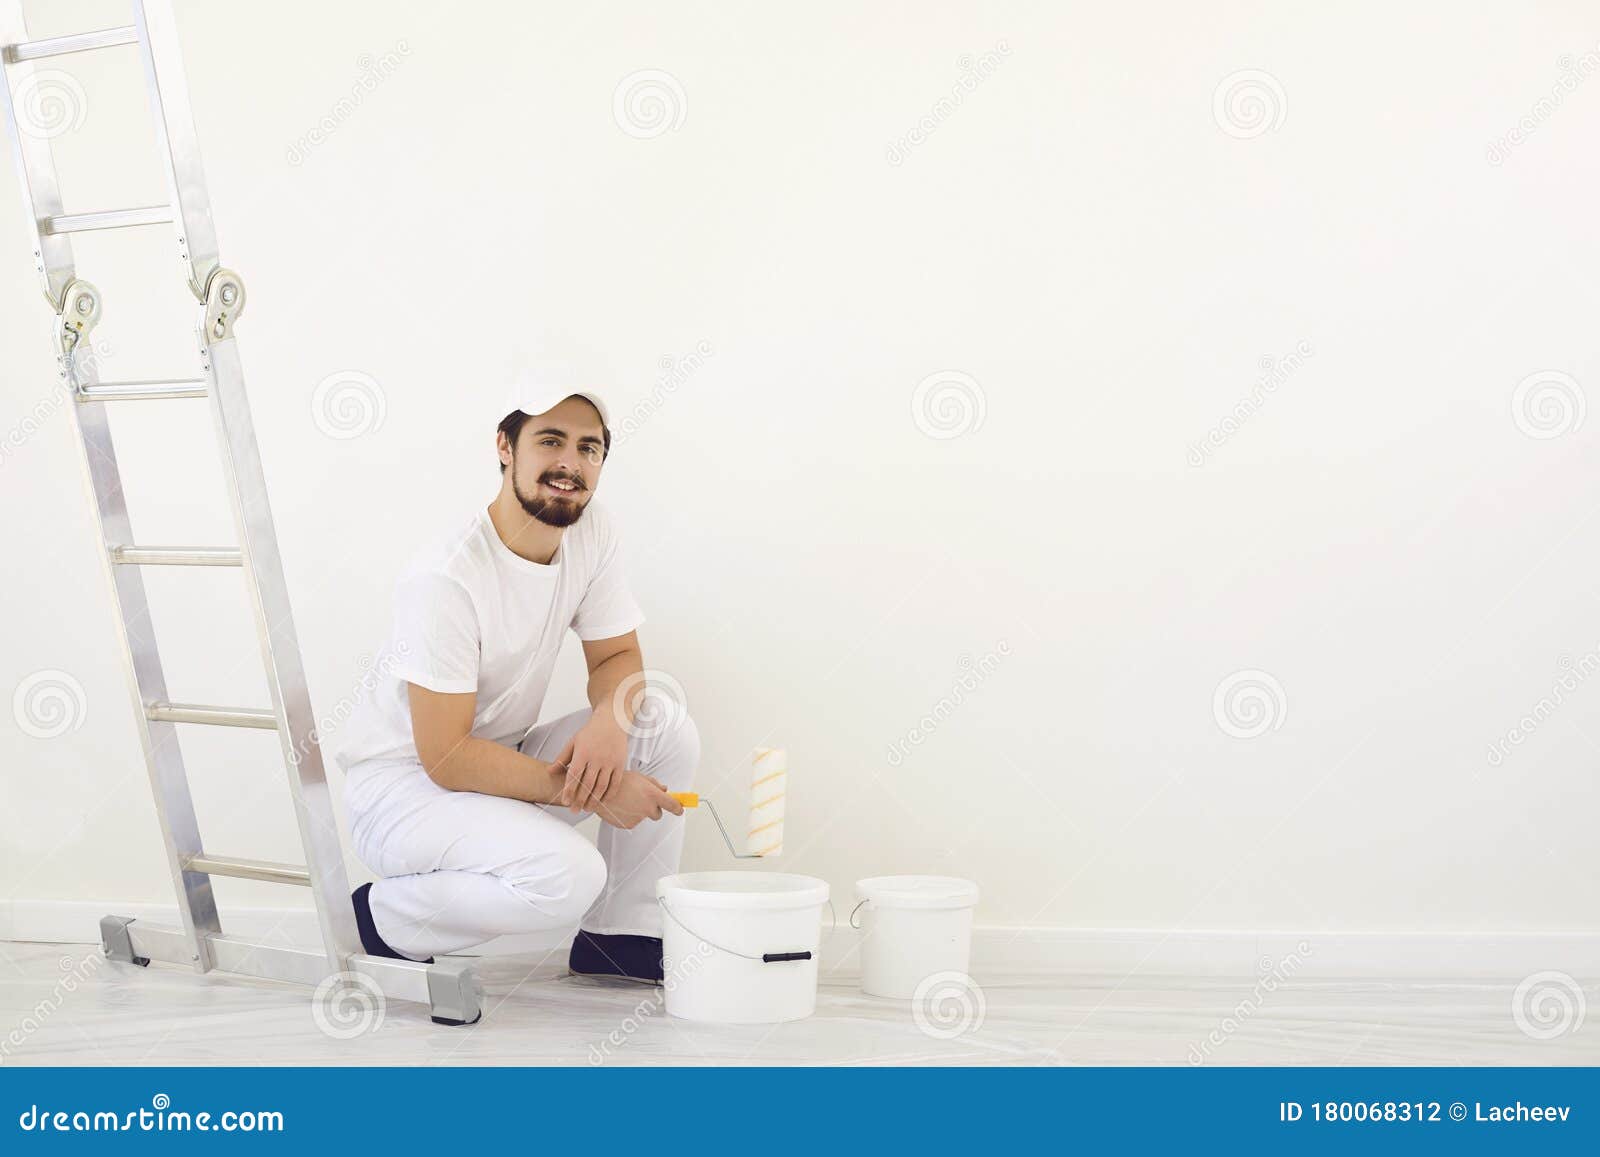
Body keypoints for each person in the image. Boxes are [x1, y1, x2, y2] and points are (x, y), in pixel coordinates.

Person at [334, 369, 696, 994]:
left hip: (495, 765)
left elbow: (618, 658)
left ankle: (620, 936)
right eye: (550, 440)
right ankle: (382, 919)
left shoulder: (591, 530)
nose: (570, 464)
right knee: (569, 876)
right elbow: (445, 756)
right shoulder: (446, 578)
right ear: (505, 447)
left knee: (660, 719)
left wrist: (610, 726)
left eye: (589, 448)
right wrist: (594, 792)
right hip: (406, 792)